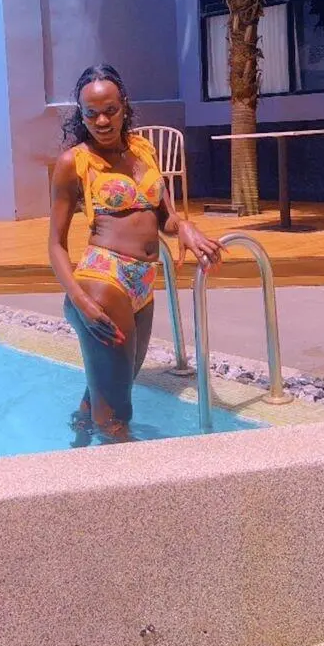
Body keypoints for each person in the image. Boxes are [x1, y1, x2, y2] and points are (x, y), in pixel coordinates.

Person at [49, 65, 222, 441]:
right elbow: (56, 244)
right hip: (102, 282)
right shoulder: (73, 163)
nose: (102, 121)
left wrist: (185, 227)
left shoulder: (143, 150)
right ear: (81, 115)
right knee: (116, 416)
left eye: (110, 110)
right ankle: (138, 475)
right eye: (91, 113)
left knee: (113, 386)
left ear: (124, 105)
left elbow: (165, 217)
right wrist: (80, 301)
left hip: (143, 281)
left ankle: (77, 450)